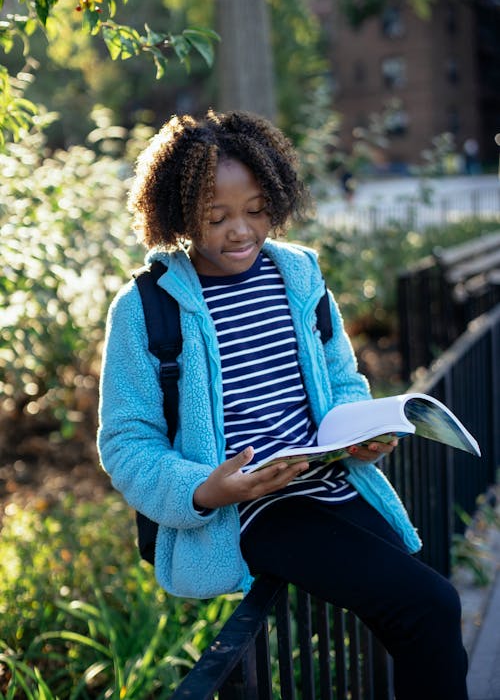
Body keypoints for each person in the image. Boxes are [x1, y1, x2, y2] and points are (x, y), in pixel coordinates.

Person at [97, 110, 469, 700]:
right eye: (216, 218)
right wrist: (208, 490)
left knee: (423, 612)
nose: (241, 232)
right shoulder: (145, 308)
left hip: (329, 482)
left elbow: (341, 378)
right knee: (431, 604)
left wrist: (358, 434)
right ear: (176, 214)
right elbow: (125, 442)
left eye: (258, 211)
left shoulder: (297, 273)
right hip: (255, 509)